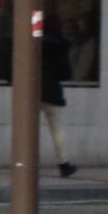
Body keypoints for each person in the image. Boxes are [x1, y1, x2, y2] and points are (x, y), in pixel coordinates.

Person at [41, 17, 76, 178]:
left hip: (31, 90)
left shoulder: (34, 43)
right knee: (57, 130)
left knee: (27, 128)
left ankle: (24, 160)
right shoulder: (61, 46)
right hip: (52, 92)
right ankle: (63, 163)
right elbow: (66, 73)